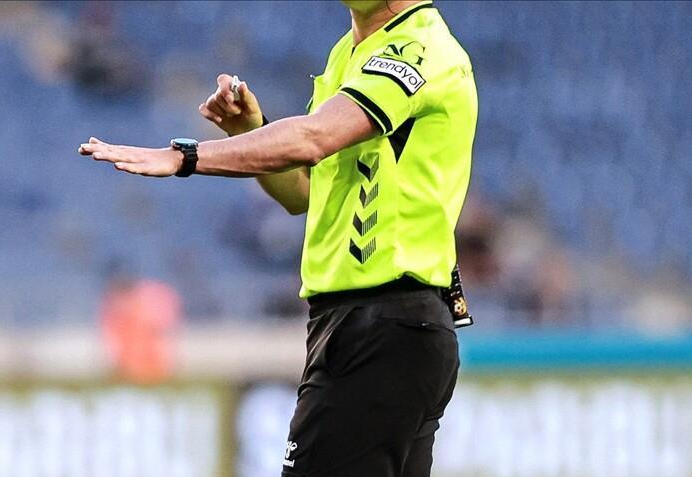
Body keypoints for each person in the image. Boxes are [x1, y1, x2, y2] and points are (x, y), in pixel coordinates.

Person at [78, 1, 478, 475]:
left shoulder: (418, 48)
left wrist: (187, 156)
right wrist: (250, 130)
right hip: (368, 325)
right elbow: (302, 192)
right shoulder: (349, 53)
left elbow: (312, 138)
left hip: (386, 321)